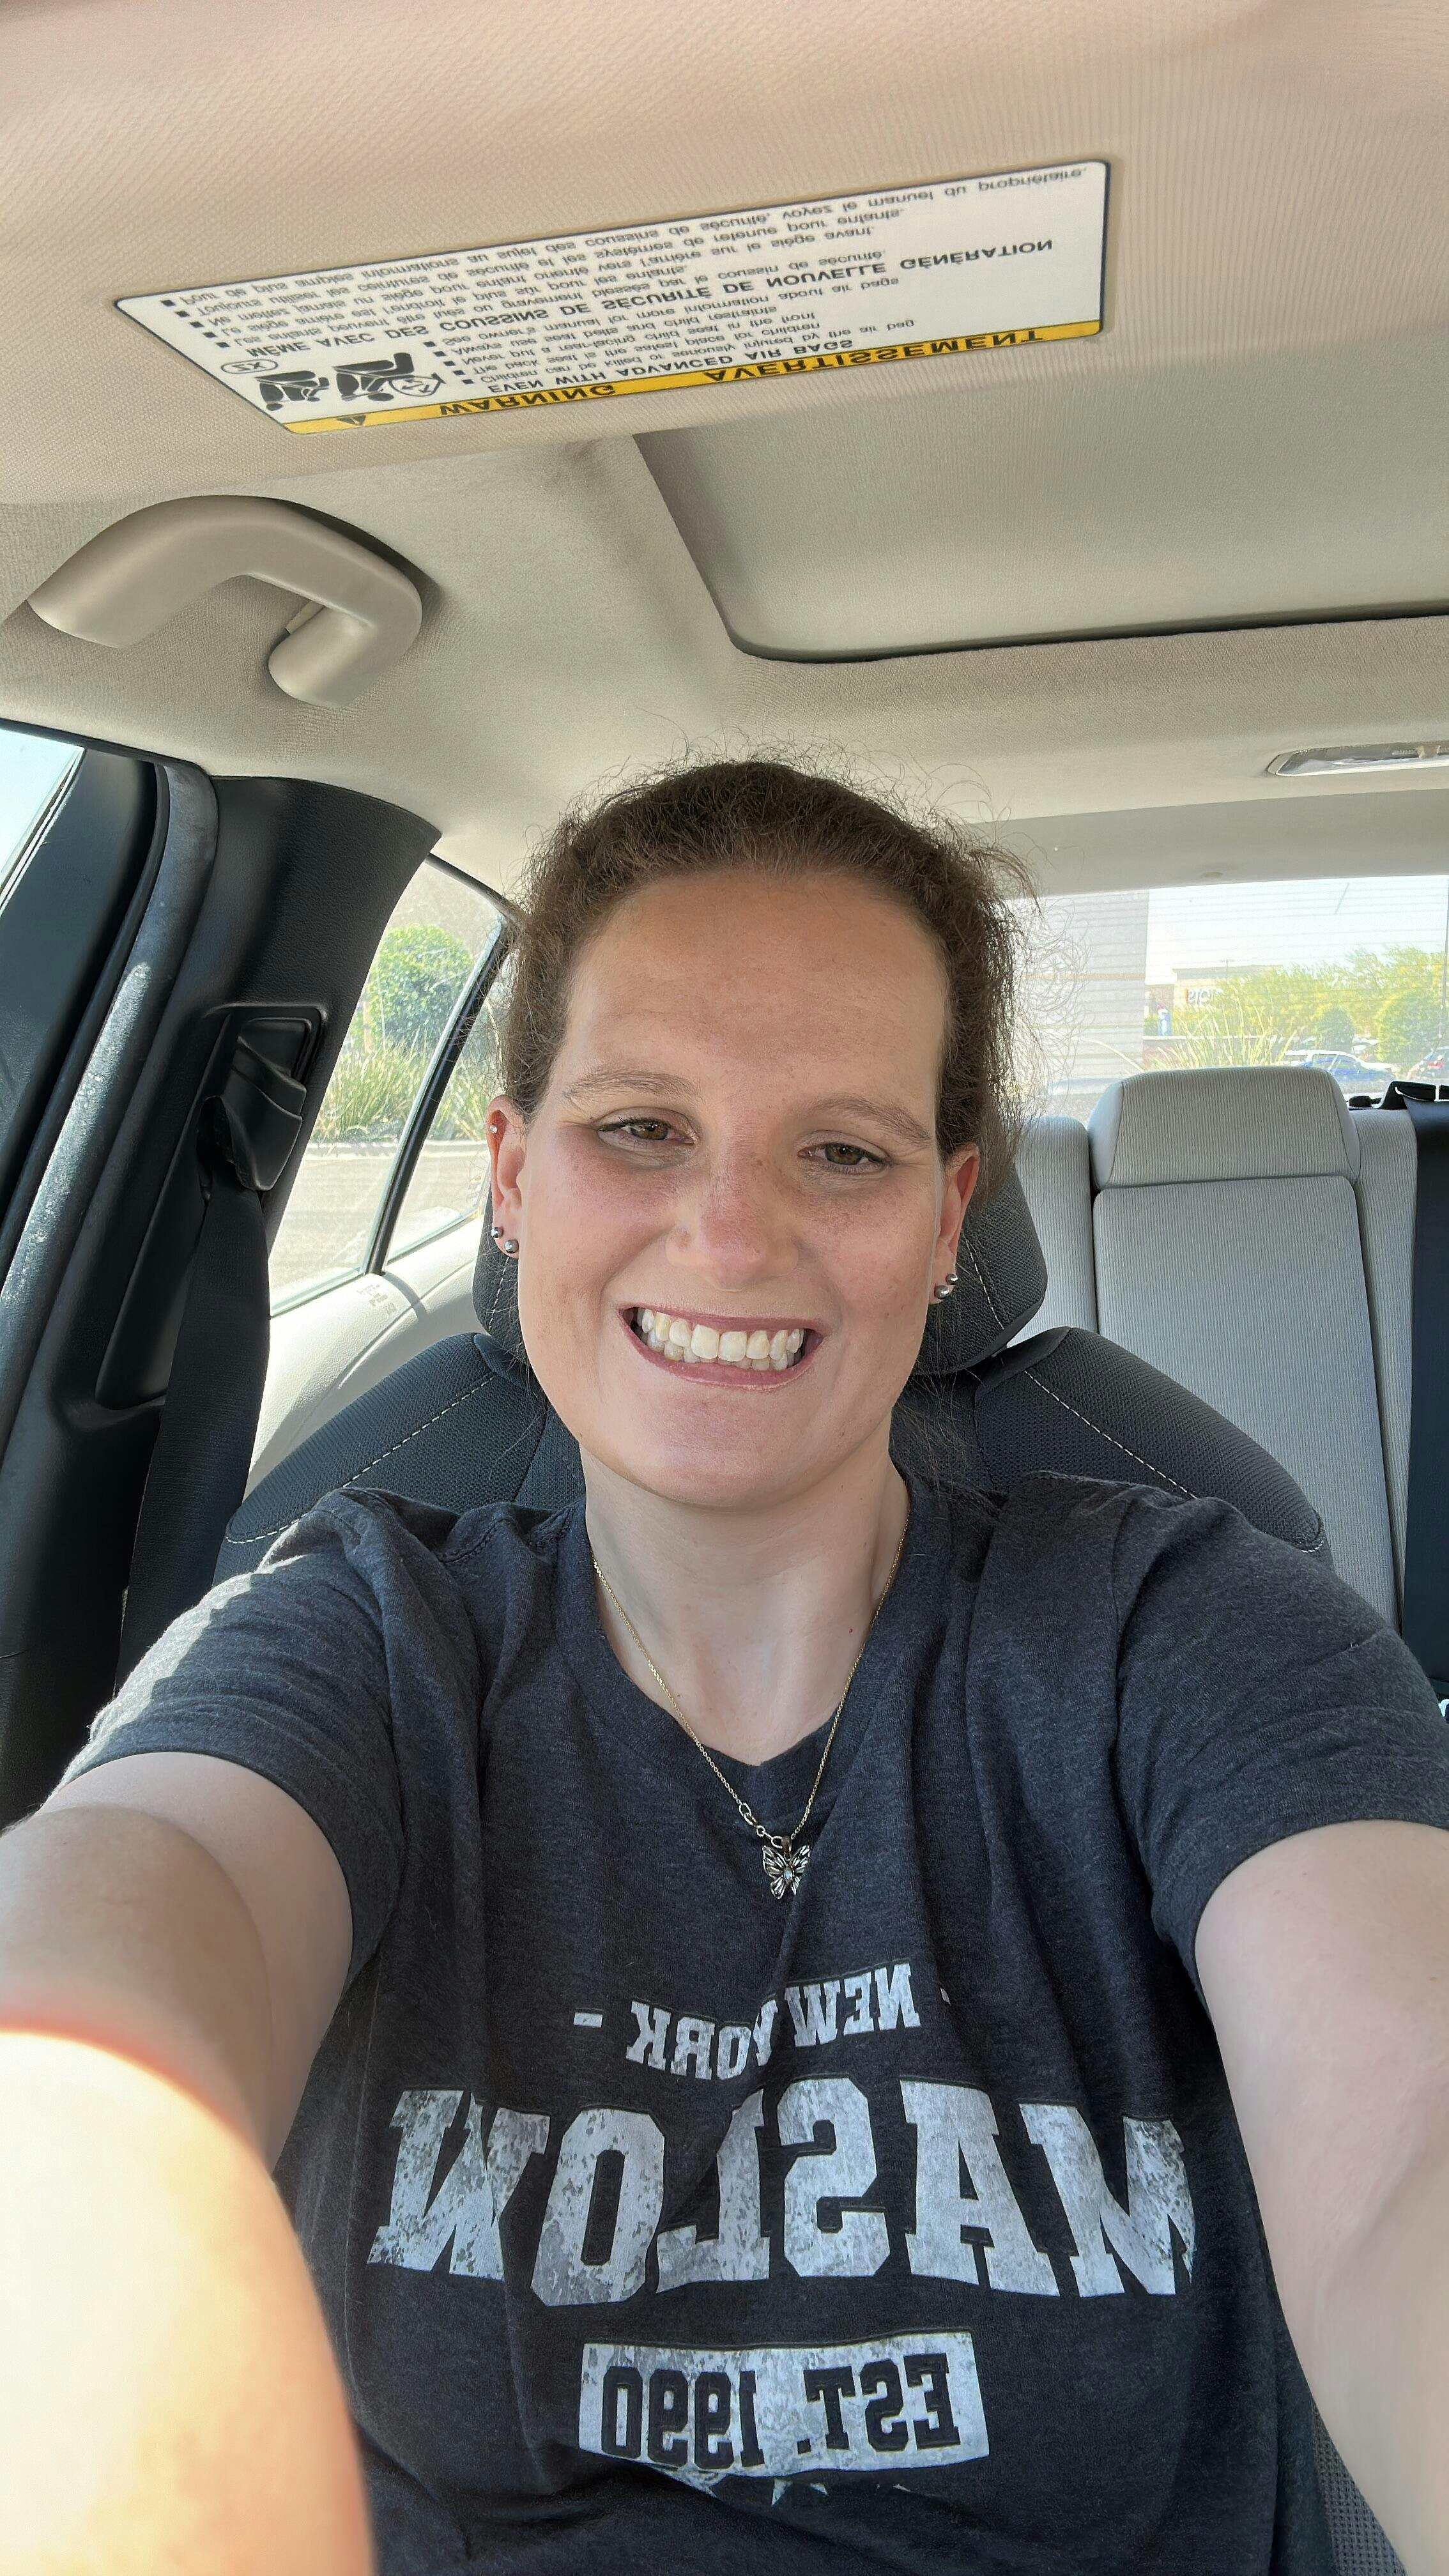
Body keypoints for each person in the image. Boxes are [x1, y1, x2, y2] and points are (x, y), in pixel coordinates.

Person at [1, 757, 1446, 2575]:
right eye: (639, 1129)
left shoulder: (1193, 1627)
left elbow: (1409, 2147)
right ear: (511, 1176)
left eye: (842, 1151)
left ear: (948, 1217)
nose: (732, 1233)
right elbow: (132, 1934)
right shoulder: (357, 1636)